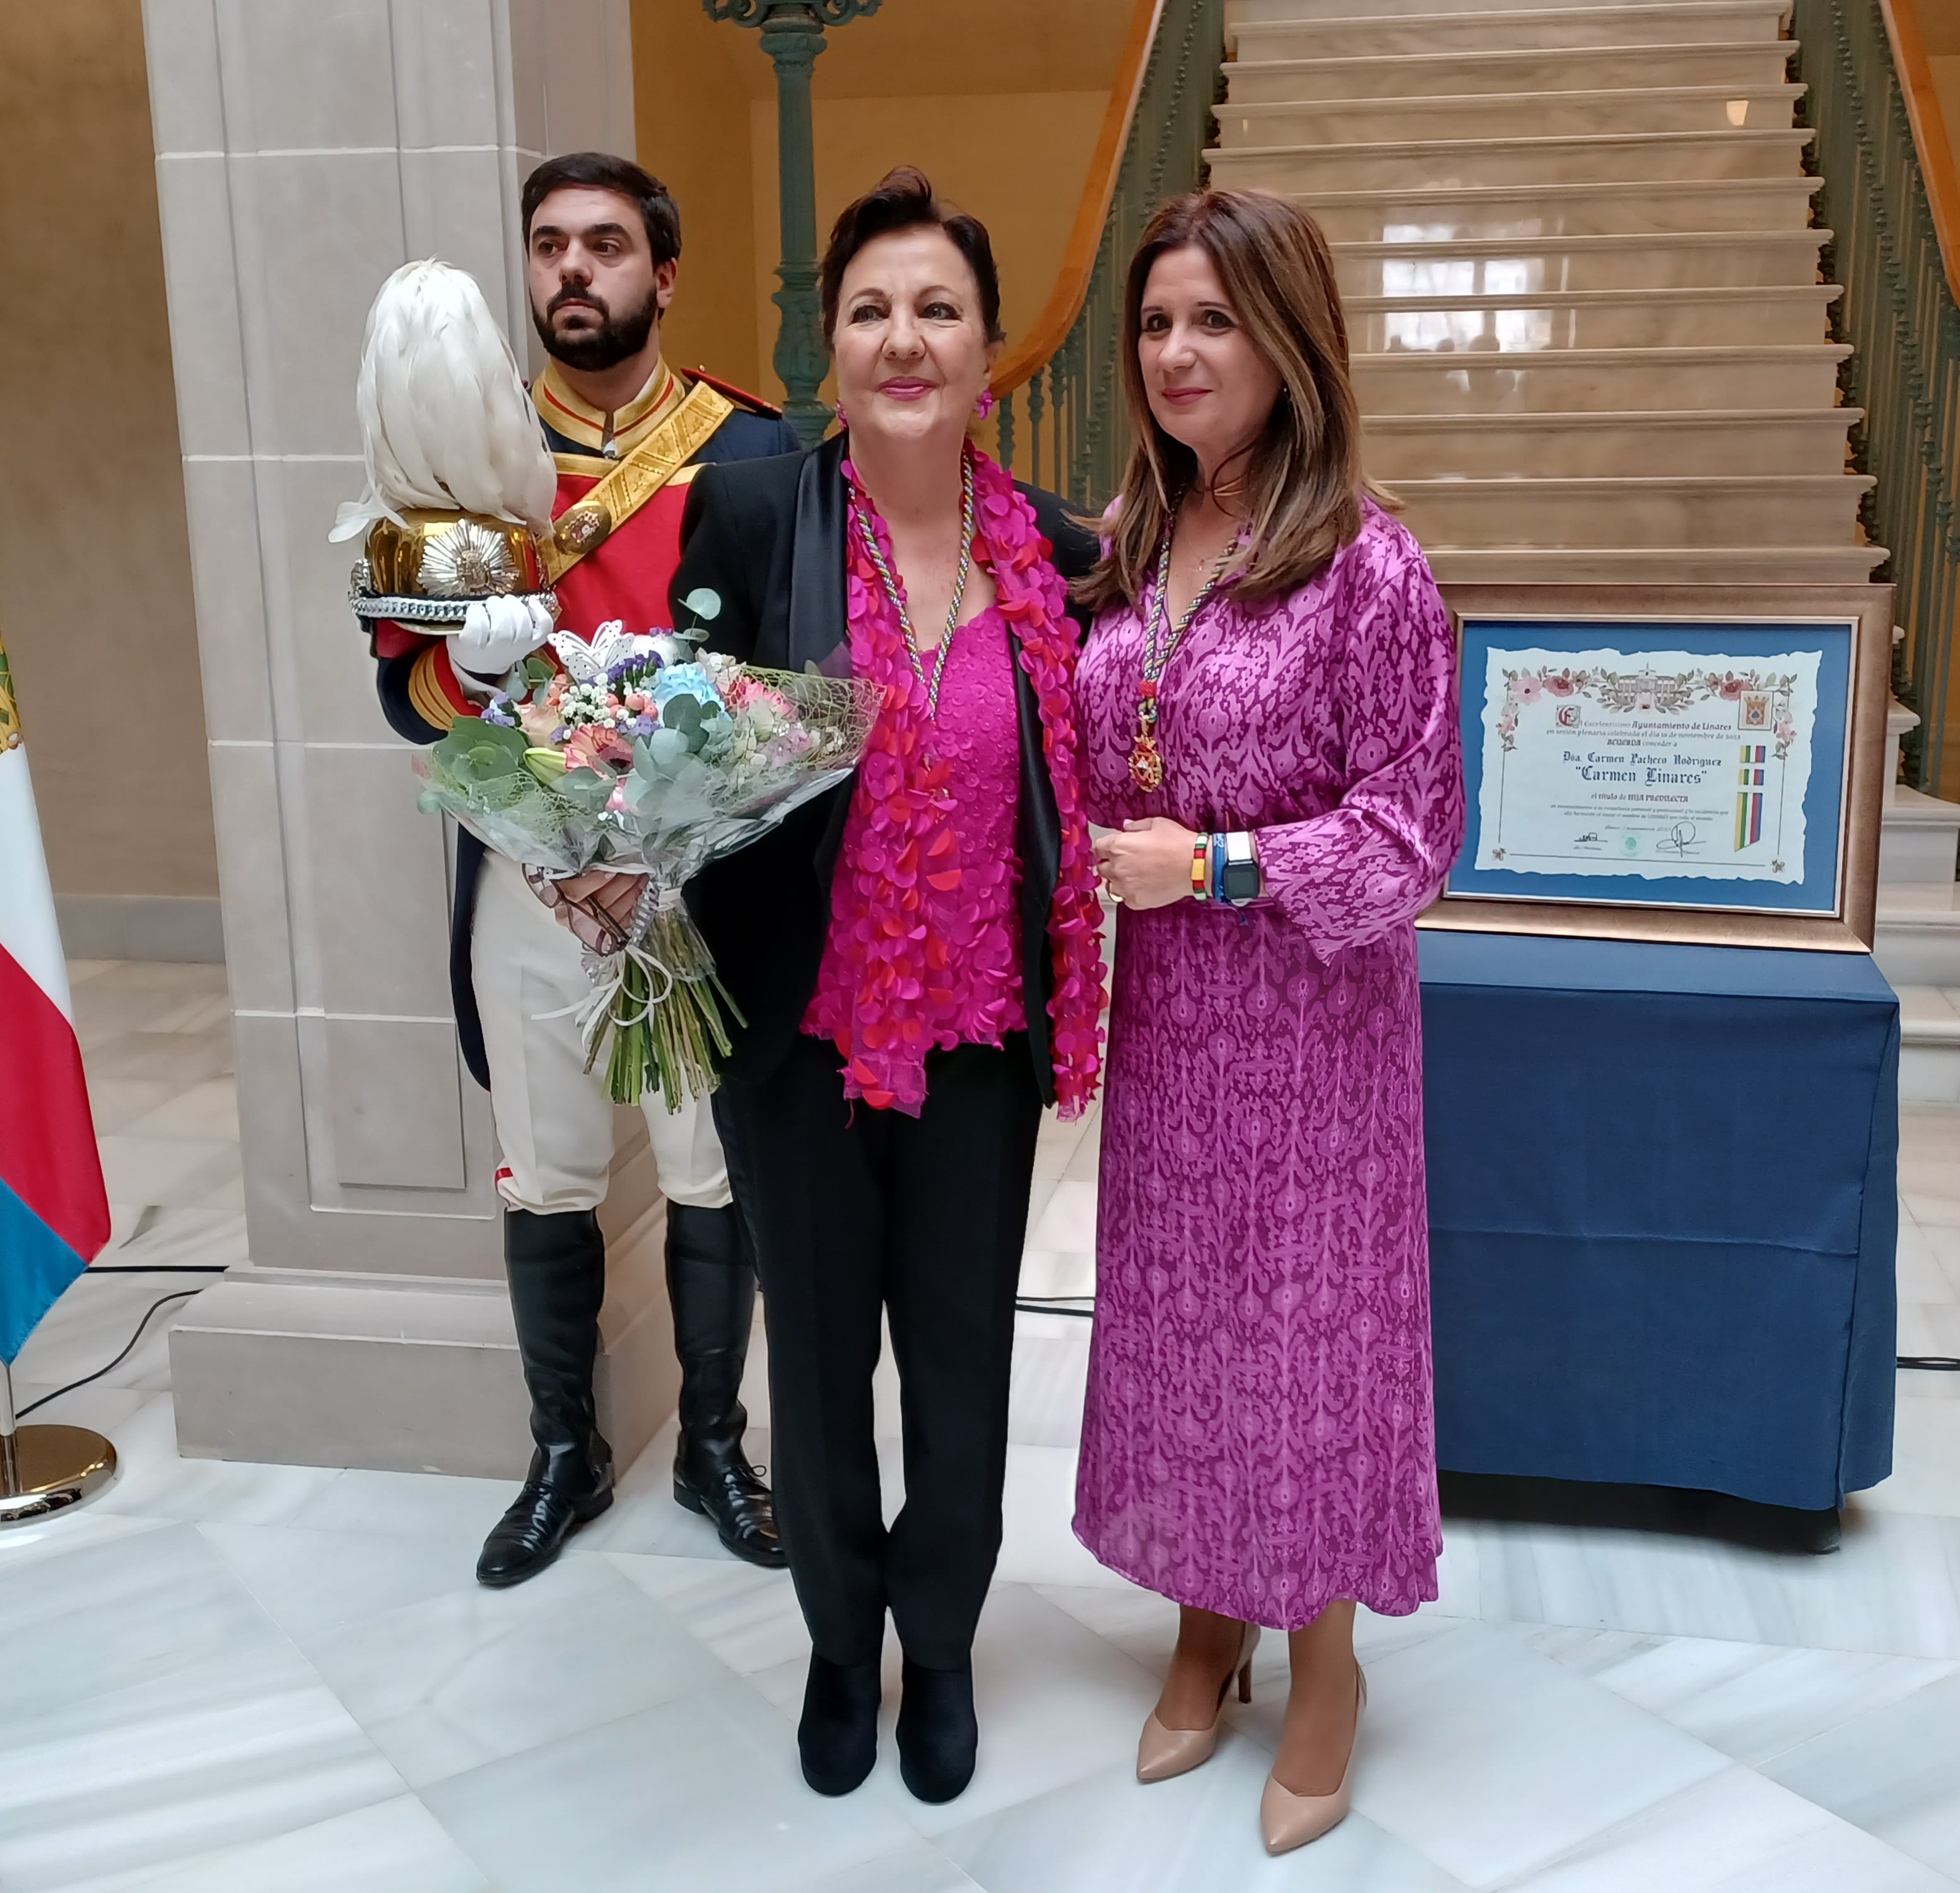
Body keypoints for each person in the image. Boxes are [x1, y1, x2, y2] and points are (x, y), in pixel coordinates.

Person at [669, 168, 1107, 1806]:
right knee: (816, 1365)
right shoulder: (753, 516)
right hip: (802, 1034)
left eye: (937, 309)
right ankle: (841, 1647)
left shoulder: (1056, 553)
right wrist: (609, 852)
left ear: (988, 353)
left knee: (960, 1362)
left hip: (981, 1042)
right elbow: (675, 752)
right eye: (870, 310)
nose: (903, 338)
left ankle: (943, 1642)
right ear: (833, 349)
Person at [1072, 186, 1464, 1856]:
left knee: (1309, 1345)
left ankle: (1323, 1665)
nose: (1176, 352)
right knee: (1179, 1327)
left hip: (1313, 1035)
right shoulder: (1125, 541)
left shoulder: (1368, 565)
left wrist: (1214, 865)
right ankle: (1204, 1617)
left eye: (1214, 320)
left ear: (1289, 338)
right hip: (1169, 1030)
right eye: (1157, 322)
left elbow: (1411, 835)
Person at [364, 152, 801, 1590]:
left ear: (662, 276)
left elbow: (790, 683)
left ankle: (713, 1446)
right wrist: (470, 678)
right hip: (528, 878)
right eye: (549, 244)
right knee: (546, 1179)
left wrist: (671, 846)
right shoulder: (461, 460)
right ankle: (564, 1454)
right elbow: (405, 697)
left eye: (605, 245)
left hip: (694, 886)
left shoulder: (752, 449)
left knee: (710, 1171)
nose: (572, 269)